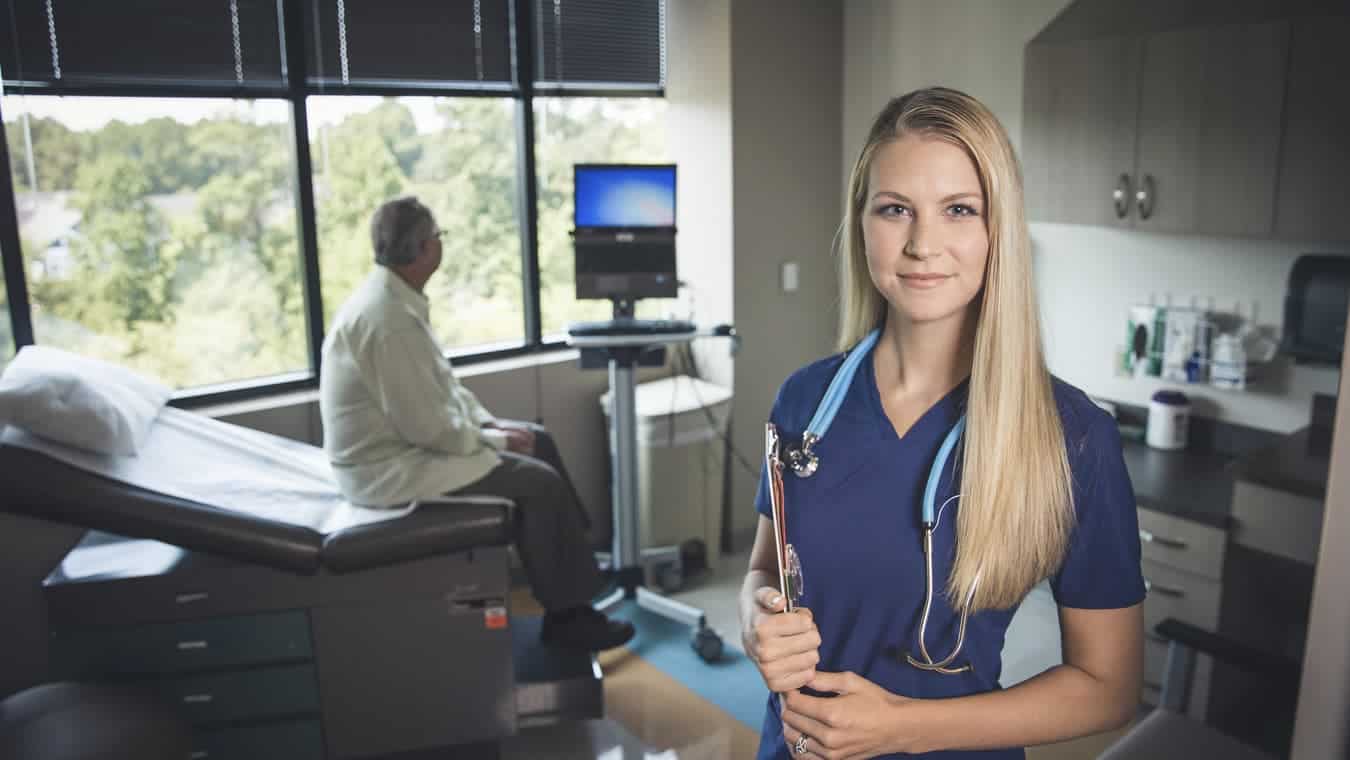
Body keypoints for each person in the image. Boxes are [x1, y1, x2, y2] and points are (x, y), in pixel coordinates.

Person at [739, 88, 1145, 759]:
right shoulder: (804, 400)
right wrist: (756, 619)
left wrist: (901, 728)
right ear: (861, 222)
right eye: (895, 209)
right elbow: (762, 571)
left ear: (998, 230)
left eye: (959, 210)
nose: (924, 244)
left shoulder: (1072, 437)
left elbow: (1108, 687)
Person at [319, 195, 634, 652]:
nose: (440, 245)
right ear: (424, 248)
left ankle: (575, 560)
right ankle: (569, 617)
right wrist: (491, 438)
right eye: (438, 237)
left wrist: (493, 425)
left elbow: (443, 391)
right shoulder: (389, 321)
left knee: (537, 439)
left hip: (408, 447)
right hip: (388, 468)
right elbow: (426, 428)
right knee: (539, 484)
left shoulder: (393, 300)